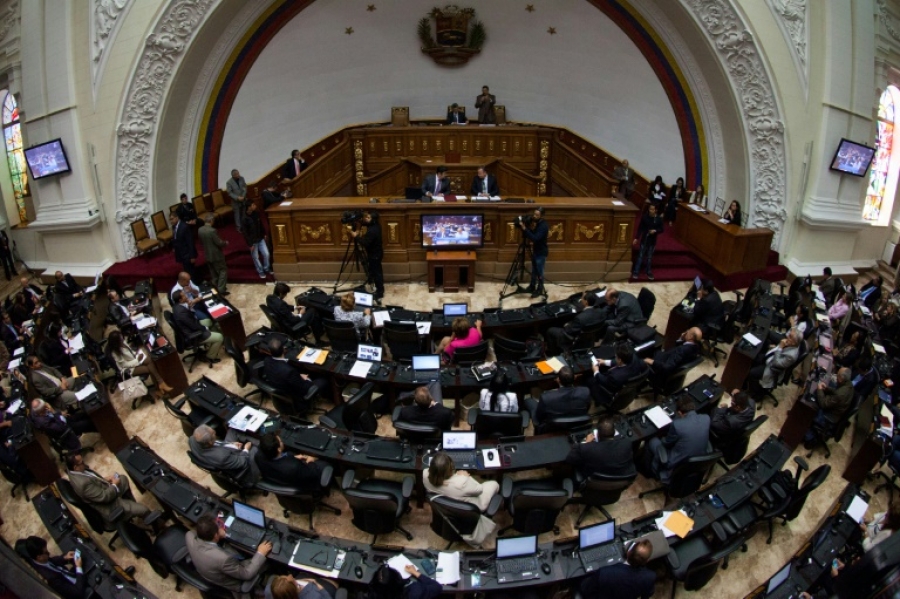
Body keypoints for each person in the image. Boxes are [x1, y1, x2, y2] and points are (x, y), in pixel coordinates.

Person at [185, 514, 271, 597]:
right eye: (218, 526)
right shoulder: (223, 559)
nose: (220, 527)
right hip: (234, 582)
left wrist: (218, 535)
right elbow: (247, 574)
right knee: (266, 560)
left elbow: (195, 533)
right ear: (215, 536)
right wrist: (260, 553)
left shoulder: (189, 536)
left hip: (209, 571)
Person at [66, 453, 153, 524]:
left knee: (122, 479)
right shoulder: (83, 484)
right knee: (144, 510)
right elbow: (105, 497)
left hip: (103, 490)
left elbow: (91, 479)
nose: (84, 463)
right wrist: (114, 485)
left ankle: (131, 506)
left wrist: (103, 480)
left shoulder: (73, 470)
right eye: (81, 462)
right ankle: (156, 528)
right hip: (110, 505)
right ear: (75, 467)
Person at [643, 396, 710, 482]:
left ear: (680, 412)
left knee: (652, 441)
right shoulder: (706, 418)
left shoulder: (677, 425)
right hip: (697, 461)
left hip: (676, 464)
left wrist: (662, 437)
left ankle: (650, 472)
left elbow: (666, 443)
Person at [262, 338, 326, 415]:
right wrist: (306, 379)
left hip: (280, 392)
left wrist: (298, 376)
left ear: (270, 351)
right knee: (323, 380)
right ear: (283, 349)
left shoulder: (266, 360)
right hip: (295, 399)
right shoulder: (289, 371)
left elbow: (282, 374)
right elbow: (304, 388)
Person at [423, 450, 500, 512]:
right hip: (471, 508)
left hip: (445, 504)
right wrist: (467, 477)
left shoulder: (424, 474)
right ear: (450, 469)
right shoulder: (462, 482)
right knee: (494, 484)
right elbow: (479, 489)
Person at [578, 538, 655, 599]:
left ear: (628, 552)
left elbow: (585, 589)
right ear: (647, 561)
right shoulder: (650, 577)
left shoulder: (604, 573)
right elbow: (646, 595)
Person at [105, 330, 174, 397]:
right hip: (128, 369)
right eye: (120, 339)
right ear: (116, 343)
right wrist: (137, 360)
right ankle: (160, 385)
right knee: (149, 368)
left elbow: (130, 351)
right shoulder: (115, 353)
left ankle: (160, 385)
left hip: (134, 360)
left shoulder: (122, 342)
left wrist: (137, 354)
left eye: (121, 337)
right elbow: (124, 365)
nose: (122, 340)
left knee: (150, 360)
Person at [564, 415, 636, 478]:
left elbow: (570, 459)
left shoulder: (588, 449)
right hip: (619, 478)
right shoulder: (627, 443)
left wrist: (586, 442)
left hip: (594, 479)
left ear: (598, 435)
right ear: (614, 433)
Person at [188, 424, 260, 487]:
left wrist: (230, 444)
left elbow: (216, 444)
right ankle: (261, 445)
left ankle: (257, 442)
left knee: (232, 431)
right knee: (255, 449)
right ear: (210, 442)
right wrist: (246, 449)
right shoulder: (222, 457)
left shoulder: (193, 440)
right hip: (242, 468)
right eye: (213, 434)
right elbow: (243, 461)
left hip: (223, 452)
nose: (215, 432)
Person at [255, 432, 326, 490]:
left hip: (280, 477)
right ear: (278, 449)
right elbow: (312, 473)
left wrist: (291, 457)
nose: (282, 442)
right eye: (281, 441)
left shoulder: (258, 456)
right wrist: (310, 461)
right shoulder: (294, 467)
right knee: (324, 464)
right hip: (303, 482)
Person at [21, 536, 86, 599]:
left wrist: (65, 558)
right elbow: (77, 592)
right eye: (46, 552)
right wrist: (79, 567)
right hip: (77, 588)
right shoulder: (52, 579)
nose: (48, 553)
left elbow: (51, 561)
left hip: (69, 576)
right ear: (39, 557)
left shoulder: (38, 560)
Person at [525, 366, 591, 428]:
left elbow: (539, 417)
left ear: (558, 380)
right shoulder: (585, 391)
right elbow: (586, 408)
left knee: (529, 401)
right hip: (577, 424)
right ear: (575, 377)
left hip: (553, 427)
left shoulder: (546, 397)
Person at [172, 289, 224, 362]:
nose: (186, 296)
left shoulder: (177, 306)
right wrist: (205, 328)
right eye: (184, 296)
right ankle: (210, 357)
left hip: (192, 326)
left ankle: (210, 344)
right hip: (194, 334)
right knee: (219, 337)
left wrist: (189, 306)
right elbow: (193, 326)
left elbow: (191, 319)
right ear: (180, 300)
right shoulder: (181, 312)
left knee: (208, 321)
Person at [588, 342, 647, 407]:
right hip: (627, 385)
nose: (615, 357)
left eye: (616, 356)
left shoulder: (615, 377)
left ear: (619, 360)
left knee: (589, 379)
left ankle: (597, 399)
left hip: (609, 391)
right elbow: (622, 362)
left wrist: (596, 371)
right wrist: (604, 362)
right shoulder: (634, 358)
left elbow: (604, 381)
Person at [805, 367, 853, 443]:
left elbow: (823, 404)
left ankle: (807, 436)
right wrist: (826, 388)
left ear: (841, 379)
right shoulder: (849, 384)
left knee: (810, 404)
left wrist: (819, 390)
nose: (836, 377)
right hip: (836, 409)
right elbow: (837, 392)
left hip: (829, 415)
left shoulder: (840, 394)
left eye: (837, 375)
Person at [29, 398, 94, 452]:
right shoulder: (45, 424)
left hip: (63, 420)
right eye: (45, 406)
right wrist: (54, 412)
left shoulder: (35, 411)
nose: (47, 405)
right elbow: (61, 427)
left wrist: (60, 414)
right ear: (43, 409)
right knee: (87, 423)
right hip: (66, 430)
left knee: (83, 414)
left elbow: (51, 415)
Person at [348, 210, 384, 300]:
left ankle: (380, 292)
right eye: (366, 217)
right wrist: (358, 223)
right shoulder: (375, 224)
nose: (366, 219)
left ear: (373, 219)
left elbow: (365, 243)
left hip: (374, 255)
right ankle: (372, 284)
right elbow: (364, 223)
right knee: (374, 271)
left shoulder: (373, 231)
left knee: (377, 273)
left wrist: (355, 236)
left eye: (368, 217)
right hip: (375, 253)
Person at [750, 327, 800, 391]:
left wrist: (780, 347)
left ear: (794, 342)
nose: (787, 336)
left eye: (790, 336)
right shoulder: (789, 343)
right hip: (769, 358)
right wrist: (773, 347)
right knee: (752, 355)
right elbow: (776, 349)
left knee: (752, 373)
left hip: (770, 368)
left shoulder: (791, 356)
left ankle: (755, 391)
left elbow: (777, 363)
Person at [519, 206, 549, 298]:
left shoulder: (543, 226)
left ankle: (540, 289)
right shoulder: (538, 223)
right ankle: (532, 286)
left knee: (539, 272)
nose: (534, 216)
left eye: (537, 215)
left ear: (541, 216)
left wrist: (525, 229)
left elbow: (535, 238)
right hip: (536, 251)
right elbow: (533, 234)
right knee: (534, 271)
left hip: (541, 252)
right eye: (534, 214)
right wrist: (527, 229)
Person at [198, 213, 229, 295]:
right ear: (211, 221)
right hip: (216, 255)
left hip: (207, 254)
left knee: (213, 272)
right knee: (223, 270)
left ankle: (214, 287)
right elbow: (219, 243)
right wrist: (225, 243)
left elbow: (201, 242)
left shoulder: (200, 230)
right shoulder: (212, 231)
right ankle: (221, 289)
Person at [632, 203, 663, 280]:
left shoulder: (658, 219)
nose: (650, 211)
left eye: (652, 209)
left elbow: (661, 229)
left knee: (649, 257)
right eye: (650, 209)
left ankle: (648, 271)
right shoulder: (645, 217)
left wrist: (655, 231)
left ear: (656, 210)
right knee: (640, 256)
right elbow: (640, 228)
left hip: (652, 241)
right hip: (644, 239)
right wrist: (636, 238)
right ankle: (636, 271)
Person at [243, 201, 271, 279]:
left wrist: (264, 233)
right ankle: (260, 271)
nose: (255, 206)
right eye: (253, 205)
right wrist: (250, 244)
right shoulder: (244, 218)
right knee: (255, 257)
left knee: (266, 254)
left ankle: (266, 268)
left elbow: (260, 224)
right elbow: (245, 233)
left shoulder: (256, 213)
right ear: (249, 207)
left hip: (260, 238)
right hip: (253, 241)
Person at [170, 211, 197, 278]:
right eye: (170, 219)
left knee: (190, 272)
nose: (171, 221)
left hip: (187, 254)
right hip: (181, 253)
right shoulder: (174, 227)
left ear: (177, 218)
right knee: (186, 270)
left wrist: (192, 256)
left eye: (172, 219)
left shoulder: (184, 227)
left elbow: (190, 242)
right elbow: (175, 238)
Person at [267, 575, 341, 599]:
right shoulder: (314, 596)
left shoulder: (269, 590)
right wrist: (316, 583)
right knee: (334, 584)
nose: (291, 576)